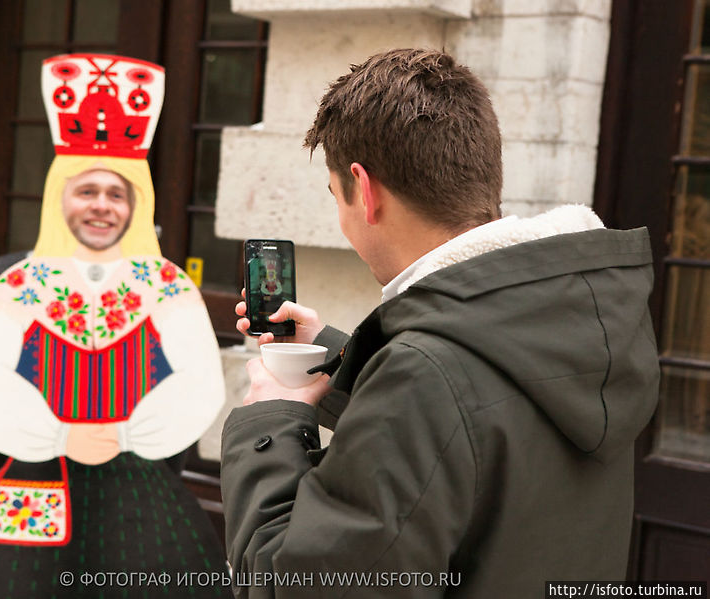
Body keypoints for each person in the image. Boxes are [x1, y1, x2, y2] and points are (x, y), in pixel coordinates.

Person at [221, 48, 660, 598]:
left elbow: (294, 585)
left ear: (366, 189)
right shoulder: (575, 317)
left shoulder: (423, 374)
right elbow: (473, 425)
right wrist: (338, 355)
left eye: (337, 196)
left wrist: (269, 424)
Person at [0, 54, 229, 598]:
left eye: (116, 194)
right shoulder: (17, 284)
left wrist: (129, 434)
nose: (101, 206)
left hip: (139, 494)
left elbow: (198, 386)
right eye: (86, 191)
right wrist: (59, 435)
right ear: (58, 196)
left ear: (137, 205)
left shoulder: (168, 286)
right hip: (30, 488)